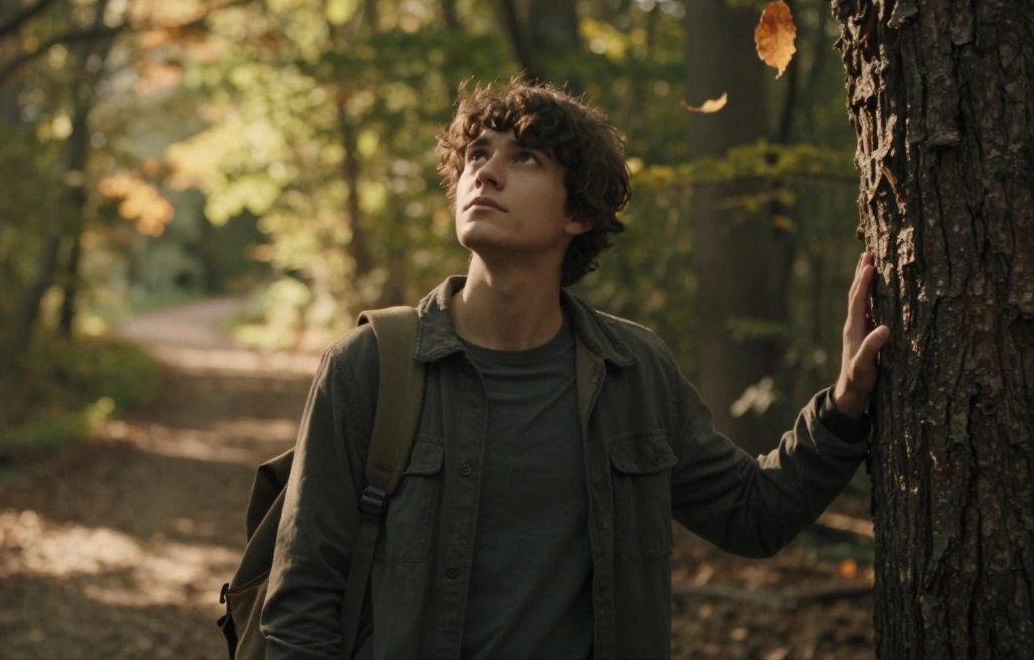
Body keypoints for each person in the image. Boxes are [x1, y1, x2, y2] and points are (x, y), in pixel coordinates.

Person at [261, 80, 890, 660]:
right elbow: (301, 603)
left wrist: (843, 406)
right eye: (477, 154)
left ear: (578, 214)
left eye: (525, 158)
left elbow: (755, 514)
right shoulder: (370, 365)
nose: (486, 172)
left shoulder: (633, 373)